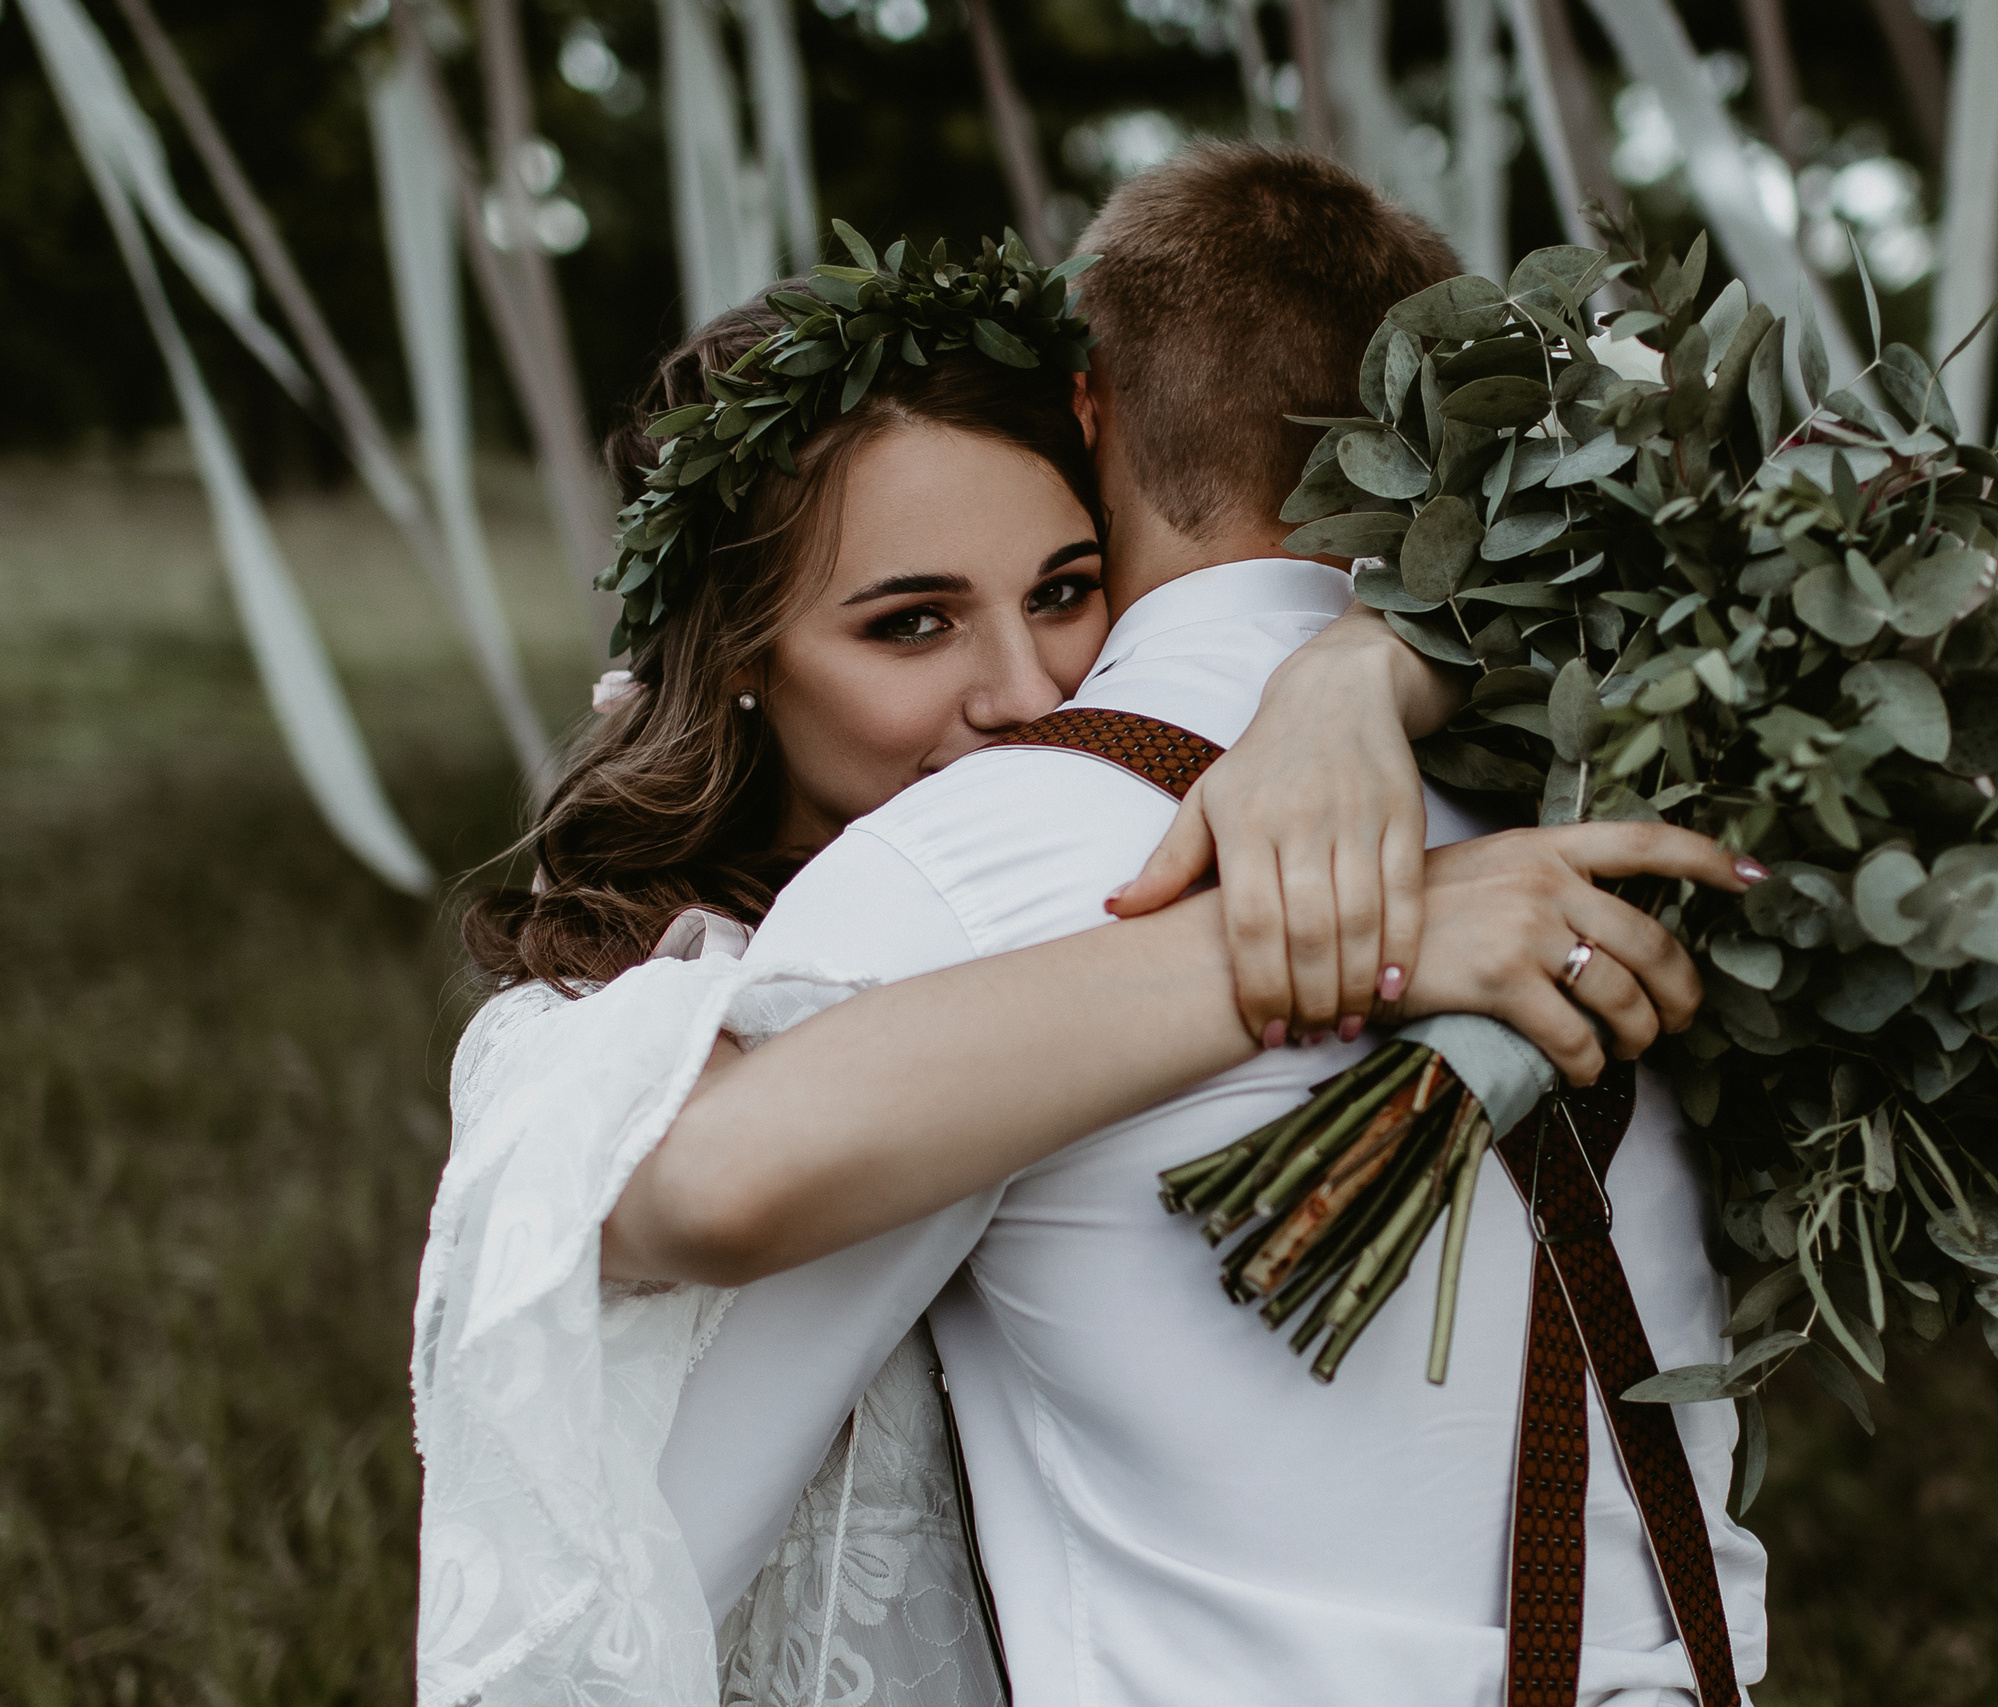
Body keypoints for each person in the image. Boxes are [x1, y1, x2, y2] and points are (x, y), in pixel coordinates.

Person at [415, 226, 1755, 1704]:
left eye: (1064, 588)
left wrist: (1357, 669)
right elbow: (694, 1193)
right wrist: (1372, 931)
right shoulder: (616, 1016)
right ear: (740, 653)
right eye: (911, 622)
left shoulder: (1078, 827)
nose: (1028, 690)